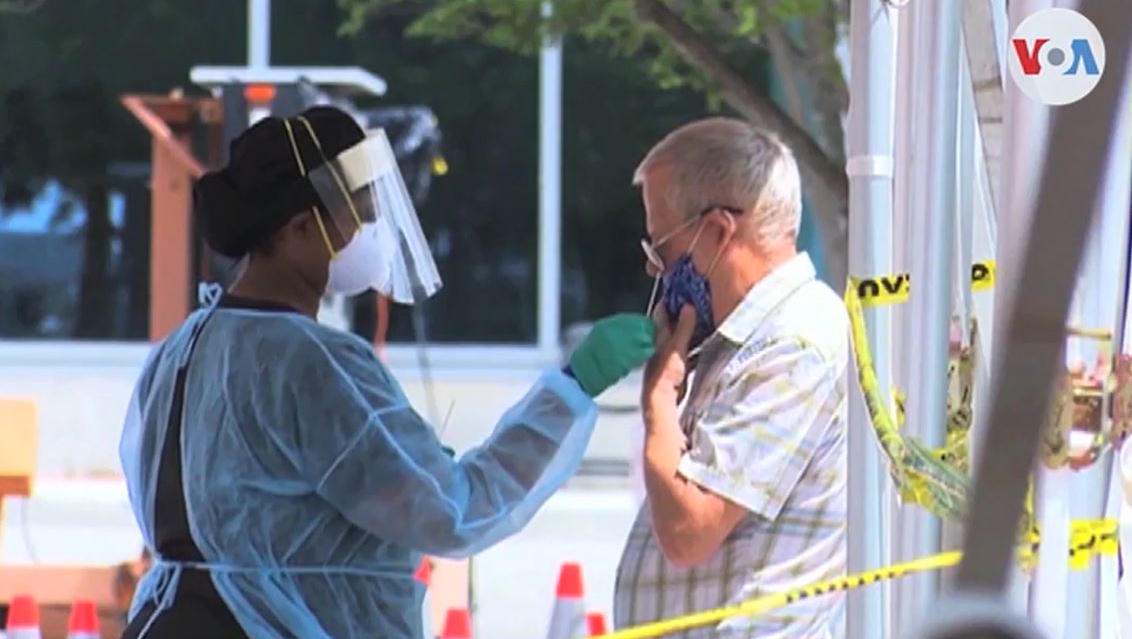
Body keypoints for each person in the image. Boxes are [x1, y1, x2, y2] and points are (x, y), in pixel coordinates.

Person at [118, 105, 656, 639]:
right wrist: (575, 387)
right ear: (300, 227)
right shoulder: (313, 363)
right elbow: (452, 513)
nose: (371, 232)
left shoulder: (181, 350)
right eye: (359, 215)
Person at [613, 118, 849, 638]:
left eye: (662, 249)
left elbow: (689, 532)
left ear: (717, 232)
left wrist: (658, 402)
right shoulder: (739, 340)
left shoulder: (793, 342)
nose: (657, 272)